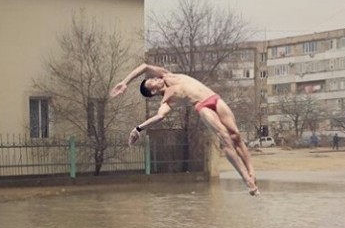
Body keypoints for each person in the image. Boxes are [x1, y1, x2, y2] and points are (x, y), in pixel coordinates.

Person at [110, 63, 259, 196]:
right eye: (153, 81)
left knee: (235, 135)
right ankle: (247, 179)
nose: (156, 78)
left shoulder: (167, 75)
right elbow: (160, 116)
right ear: (153, 91)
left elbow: (145, 67)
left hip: (213, 97)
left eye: (154, 78)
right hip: (202, 106)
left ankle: (251, 172)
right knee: (225, 137)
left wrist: (125, 82)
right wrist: (138, 129)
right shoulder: (167, 100)